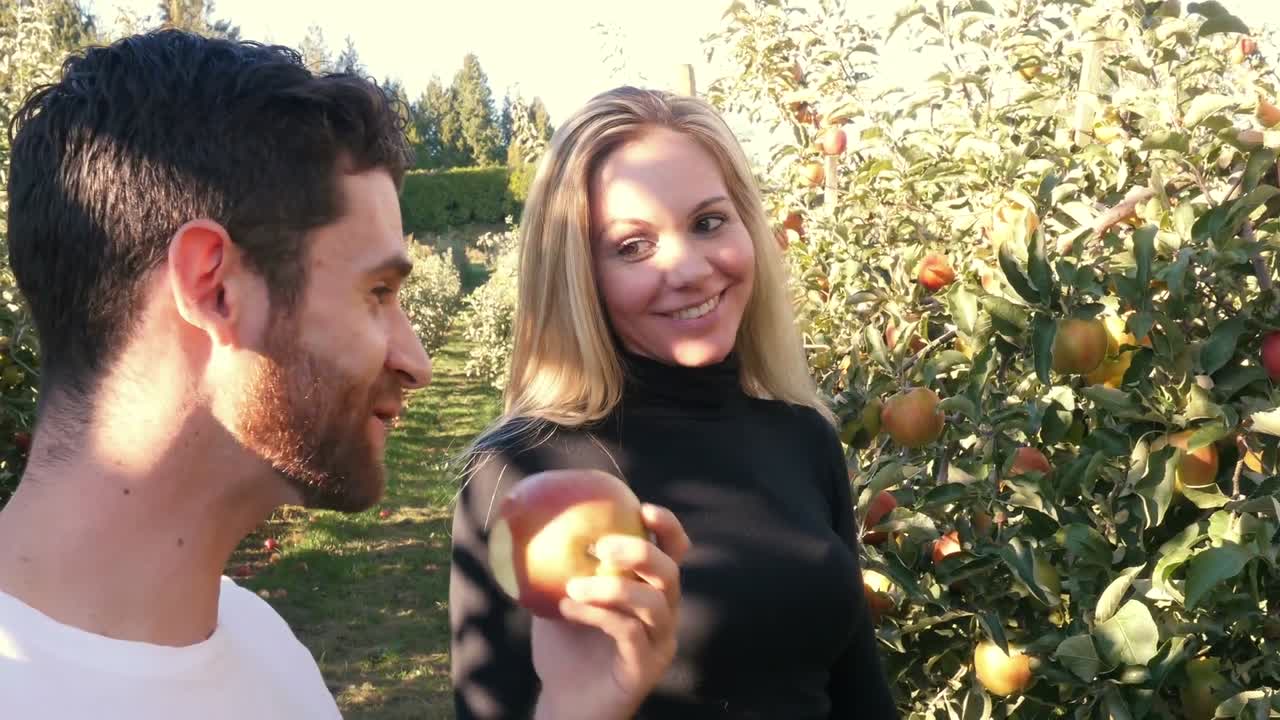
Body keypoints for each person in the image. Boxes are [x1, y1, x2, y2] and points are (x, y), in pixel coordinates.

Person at [0, 30, 685, 720]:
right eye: (378, 294)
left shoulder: (266, 654)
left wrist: (573, 707)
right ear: (214, 289)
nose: (415, 361)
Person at [449, 86, 899, 719]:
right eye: (633, 246)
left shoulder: (803, 436)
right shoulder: (522, 472)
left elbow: (857, 690)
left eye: (708, 222)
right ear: (581, 276)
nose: (688, 266)